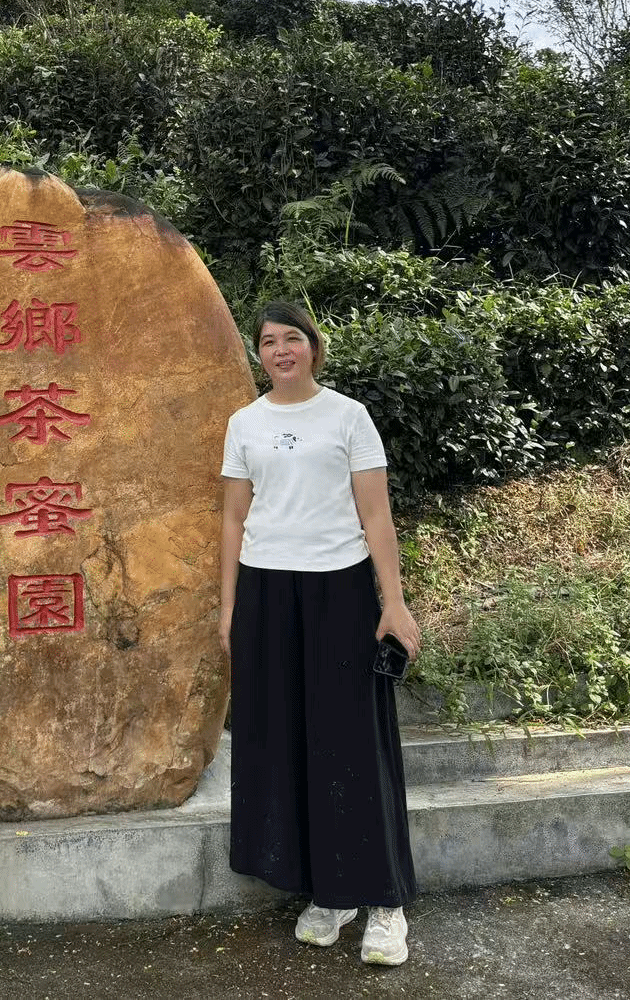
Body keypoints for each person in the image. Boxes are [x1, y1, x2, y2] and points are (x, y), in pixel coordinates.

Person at [219, 299, 419, 966]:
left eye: (291, 338)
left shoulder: (348, 416)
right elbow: (233, 520)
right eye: (268, 342)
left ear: (313, 345)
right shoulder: (245, 422)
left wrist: (393, 603)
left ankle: (385, 903)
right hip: (266, 592)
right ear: (259, 354)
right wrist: (228, 609)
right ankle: (330, 893)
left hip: (340, 590)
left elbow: (376, 516)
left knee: (354, 742)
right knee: (288, 741)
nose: (280, 350)